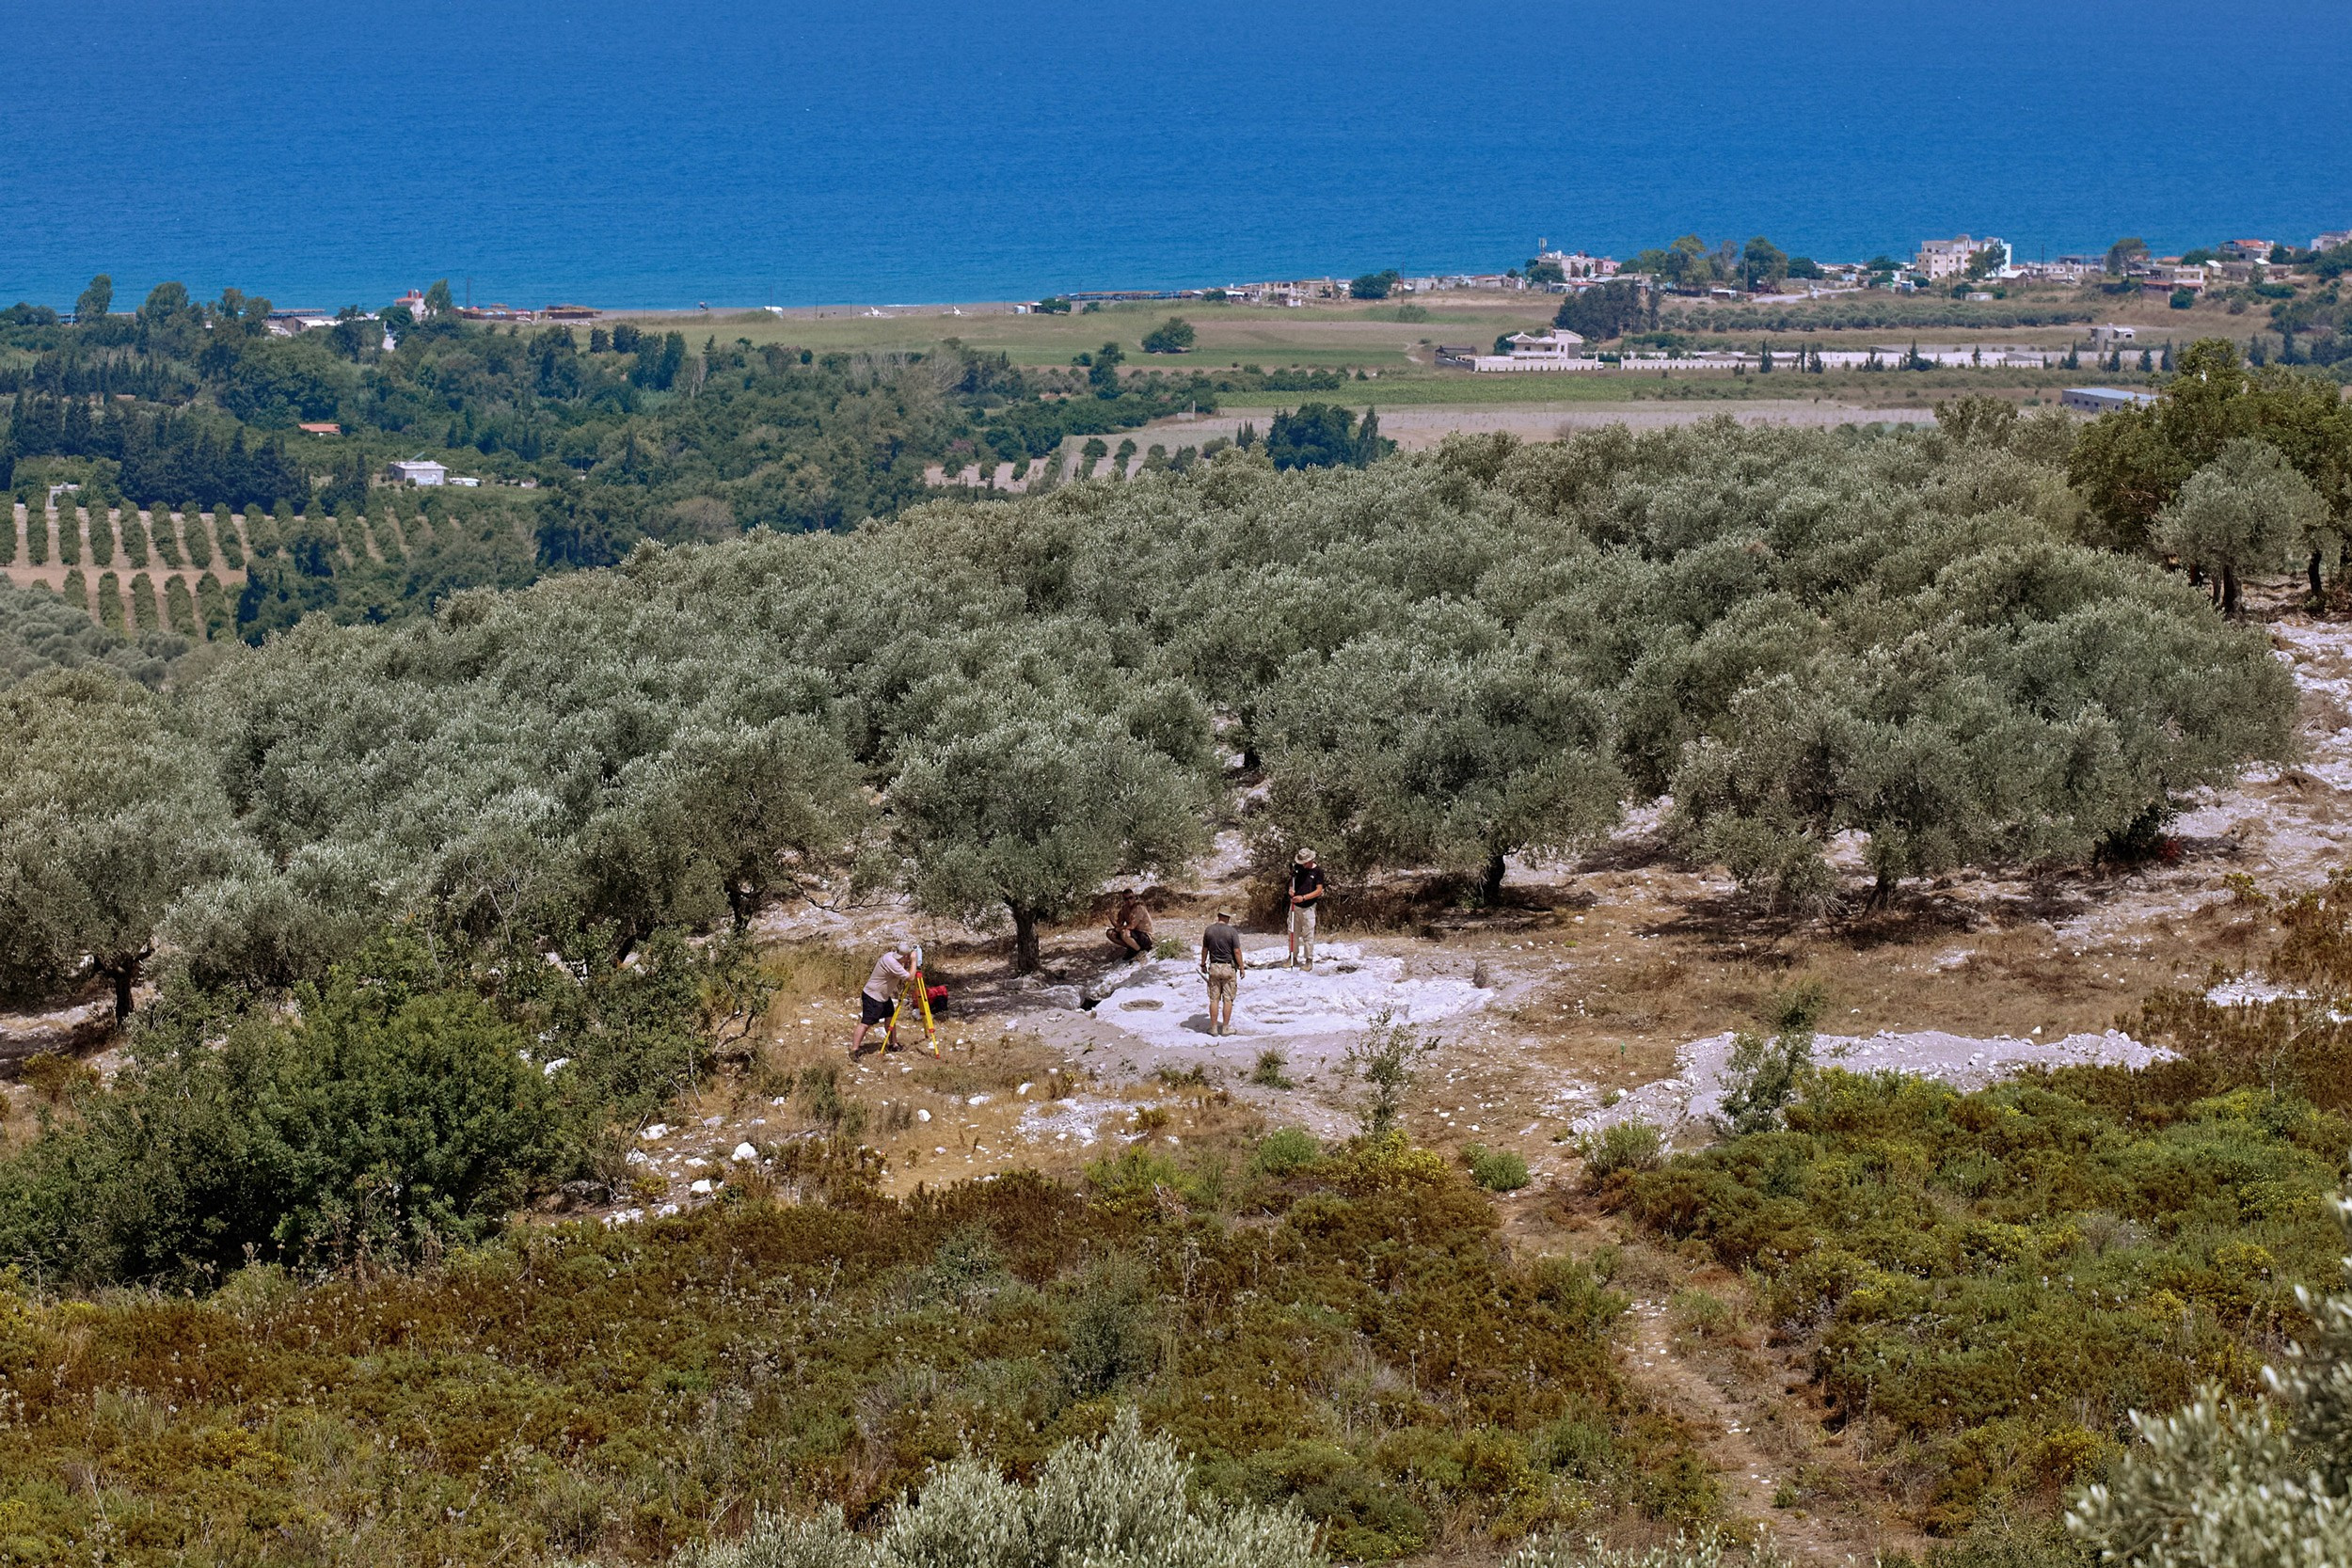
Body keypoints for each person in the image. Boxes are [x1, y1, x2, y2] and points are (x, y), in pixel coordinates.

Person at [851, 942, 915, 1054]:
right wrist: (914, 961)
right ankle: (854, 1050)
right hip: (873, 996)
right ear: (905, 956)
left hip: (883, 996)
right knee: (866, 1023)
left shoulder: (890, 956)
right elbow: (910, 978)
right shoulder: (892, 963)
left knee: (890, 1017)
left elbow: (902, 971)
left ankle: (893, 1044)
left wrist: (907, 961)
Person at [1200, 907, 1245, 1037]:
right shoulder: (1232, 932)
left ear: (1218, 916)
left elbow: (1205, 949)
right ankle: (1225, 1028)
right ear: (1227, 917)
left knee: (1214, 999)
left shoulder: (1209, 930)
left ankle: (1213, 1028)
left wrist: (1203, 963)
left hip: (1214, 967)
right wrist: (1241, 967)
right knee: (1228, 999)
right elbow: (1237, 951)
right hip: (1228, 968)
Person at [1287, 847, 1326, 970]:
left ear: (1311, 860)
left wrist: (1303, 898)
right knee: (1292, 931)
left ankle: (1309, 960)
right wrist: (1290, 889)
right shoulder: (1297, 868)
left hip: (1308, 907)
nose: (1303, 865)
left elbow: (1319, 891)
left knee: (1308, 934)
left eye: (1305, 862)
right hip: (1294, 906)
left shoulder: (1318, 872)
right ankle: (1292, 957)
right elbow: (1291, 882)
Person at [1105, 890, 1154, 959]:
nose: (1129, 901)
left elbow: (1132, 926)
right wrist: (1111, 918)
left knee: (1124, 932)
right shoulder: (1124, 909)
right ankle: (1131, 947)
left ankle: (1139, 952)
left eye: (1131, 898)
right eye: (1126, 899)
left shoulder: (1139, 908)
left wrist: (1119, 929)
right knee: (1110, 933)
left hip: (1145, 936)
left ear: (1134, 897)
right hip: (1133, 935)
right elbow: (1119, 924)